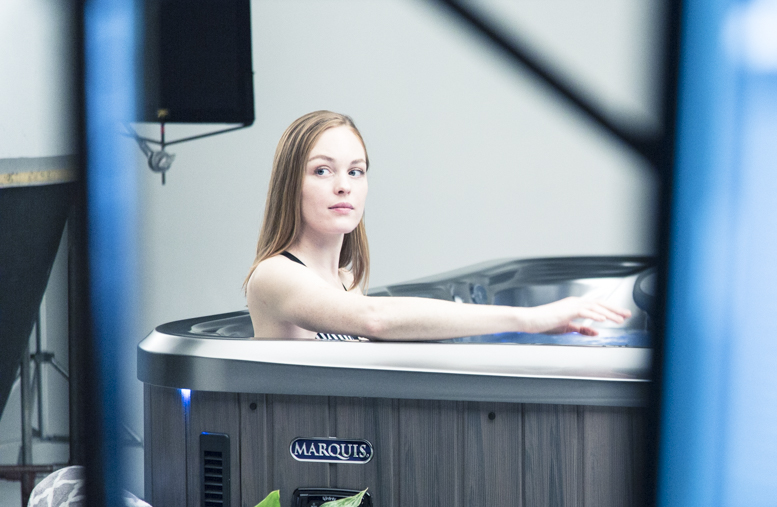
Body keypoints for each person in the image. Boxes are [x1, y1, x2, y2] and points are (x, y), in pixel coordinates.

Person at [245, 110, 629, 340]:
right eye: (322, 170)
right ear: (290, 182)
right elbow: (374, 320)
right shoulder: (274, 275)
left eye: (356, 171)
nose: (344, 184)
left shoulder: (346, 279)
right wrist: (527, 319)